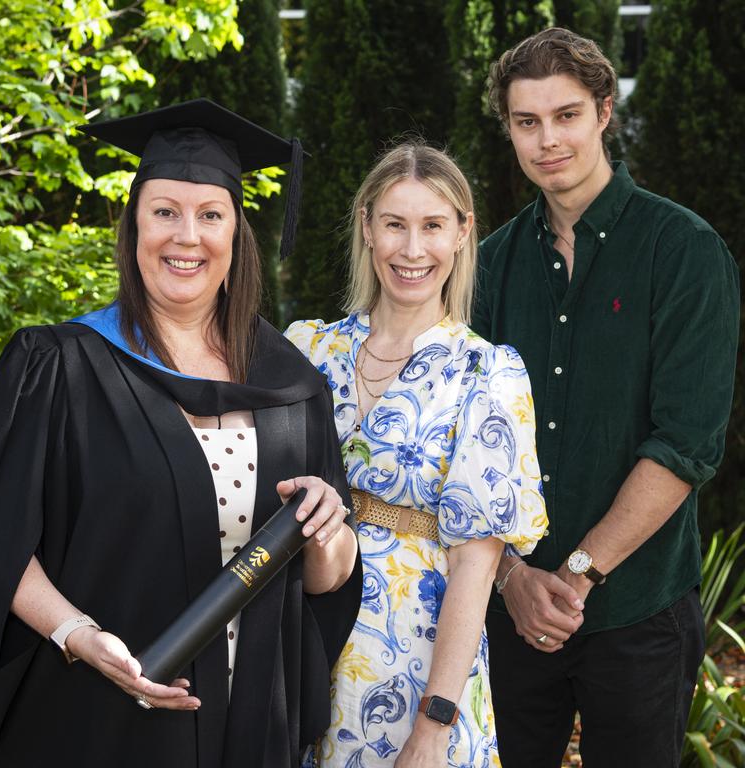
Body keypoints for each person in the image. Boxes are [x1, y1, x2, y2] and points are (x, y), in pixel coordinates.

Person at [0, 99, 362, 768]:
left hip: (247, 722)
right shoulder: (60, 365)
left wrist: (330, 533)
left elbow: (326, 583)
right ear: (131, 227)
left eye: (211, 215)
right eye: (164, 212)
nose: (187, 236)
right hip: (96, 714)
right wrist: (79, 635)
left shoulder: (292, 387)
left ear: (237, 233)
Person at [474, 27, 740, 767]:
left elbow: (685, 443)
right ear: (510, 131)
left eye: (565, 115)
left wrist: (574, 574)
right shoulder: (490, 265)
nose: (547, 139)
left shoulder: (682, 250)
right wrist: (512, 578)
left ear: (604, 112)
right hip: (508, 609)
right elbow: (463, 439)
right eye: (527, 122)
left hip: (638, 612)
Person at [287, 141, 546, 768]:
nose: (412, 249)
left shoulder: (487, 373)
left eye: (433, 226)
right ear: (367, 227)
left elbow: (476, 567)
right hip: (303, 649)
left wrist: (434, 727)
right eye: (395, 224)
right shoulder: (307, 351)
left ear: (462, 234)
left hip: (416, 666)